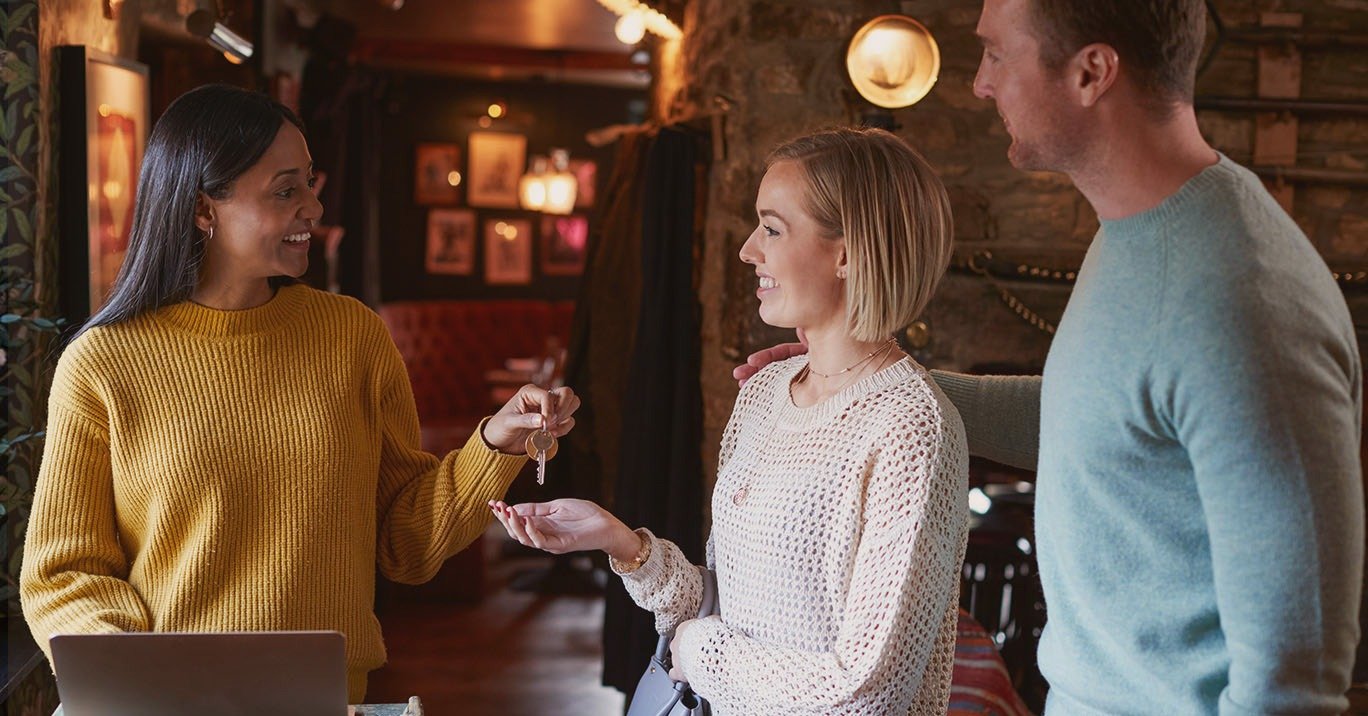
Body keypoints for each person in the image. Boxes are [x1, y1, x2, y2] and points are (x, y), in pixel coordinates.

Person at [738, 1, 1364, 713]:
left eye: (998, 54)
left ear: (1091, 72)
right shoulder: (1137, 233)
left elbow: (1291, 679)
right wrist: (872, 391)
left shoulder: (1241, 298)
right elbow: (1107, 418)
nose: (980, 84)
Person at [19, 83, 579, 703]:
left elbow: (406, 545)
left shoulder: (353, 338)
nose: (314, 206)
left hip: (325, 698)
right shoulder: (103, 363)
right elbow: (63, 573)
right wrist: (134, 668)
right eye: (285, 191)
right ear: (204, 209)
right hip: (164, 702)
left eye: (310, 183)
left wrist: (496, 444)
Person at [492, 127, 969, 714]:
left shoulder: (912, 428)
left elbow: (869, 693)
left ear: (848, 253)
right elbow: (728, 607)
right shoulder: (765, 393)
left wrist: (699, 651)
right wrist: (623, 542)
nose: (747, 250)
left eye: (772, 228)